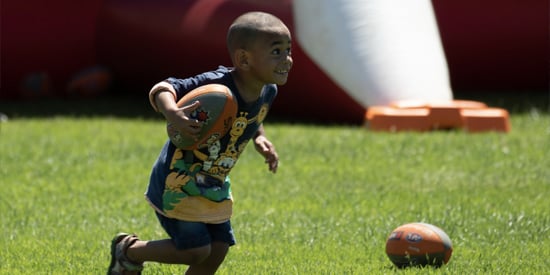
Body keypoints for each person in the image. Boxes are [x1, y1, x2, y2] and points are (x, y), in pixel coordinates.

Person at [107, 11, 293, 275]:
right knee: (195, 250)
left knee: (217, 249)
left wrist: (259, 136)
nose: (287, 59)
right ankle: (128, 250)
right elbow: (164, 87)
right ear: (243, 59)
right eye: (276, 51)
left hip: (213, 183)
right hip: (178, 180)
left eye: (288, 49)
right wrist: (172, 112)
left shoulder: (268, 90)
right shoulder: (215, 86)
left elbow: (252, 114)